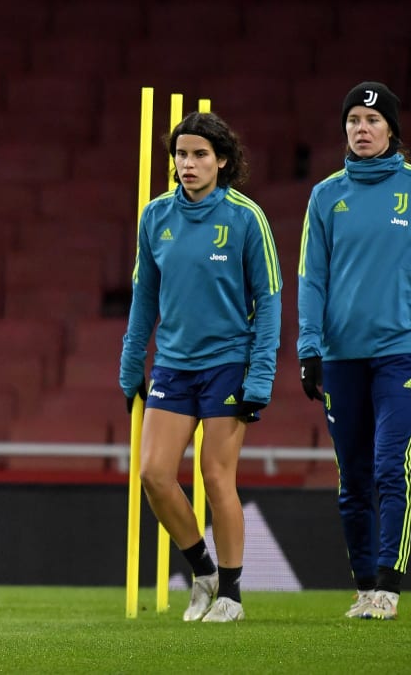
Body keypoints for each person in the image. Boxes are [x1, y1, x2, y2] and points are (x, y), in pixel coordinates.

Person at [296, 81, 411, 621]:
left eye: (372, 121)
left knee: (392, 468)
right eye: (352, 122)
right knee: (352, 479)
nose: (361, 130)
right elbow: (311, 278)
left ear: (391, 129)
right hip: (341, 357)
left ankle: (389, 583)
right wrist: (309, 348)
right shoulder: (325, 195)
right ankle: (363, 587)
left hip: (401, 352)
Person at [120, 112, 282, 623]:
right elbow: (145, 296)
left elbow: (270, 300)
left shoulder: (245, 218)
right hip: (172, 364)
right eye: (181, 155)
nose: (188, 164)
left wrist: (260, 376)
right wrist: (131, 363)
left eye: (200, 155)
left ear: (223, 161)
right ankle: (204, 570)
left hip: (228, 364)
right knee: (154, 475)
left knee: (216, 476)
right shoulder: (156, 217)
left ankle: (232, 594)